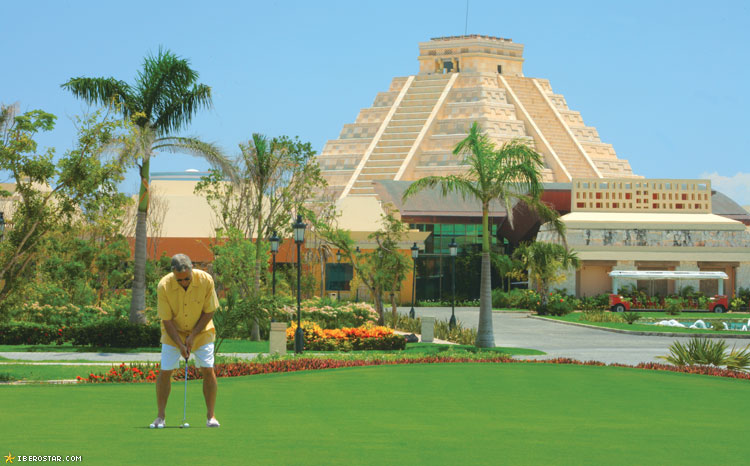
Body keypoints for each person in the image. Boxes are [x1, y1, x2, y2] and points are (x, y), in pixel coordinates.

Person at [149, 254, 221, 428]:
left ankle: (210, 416)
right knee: (165, 370)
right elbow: (166, 320)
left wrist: (193, 335)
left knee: (208, 369)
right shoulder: (164, 286)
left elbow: (209, 311)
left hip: (202, 331)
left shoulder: (206, 280)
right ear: (173, 273)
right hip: (173, 332)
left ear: (192, 269)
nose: (184, 283)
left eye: (186, 279)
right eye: (179, 280)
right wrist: (181, 344)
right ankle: (160, 417)